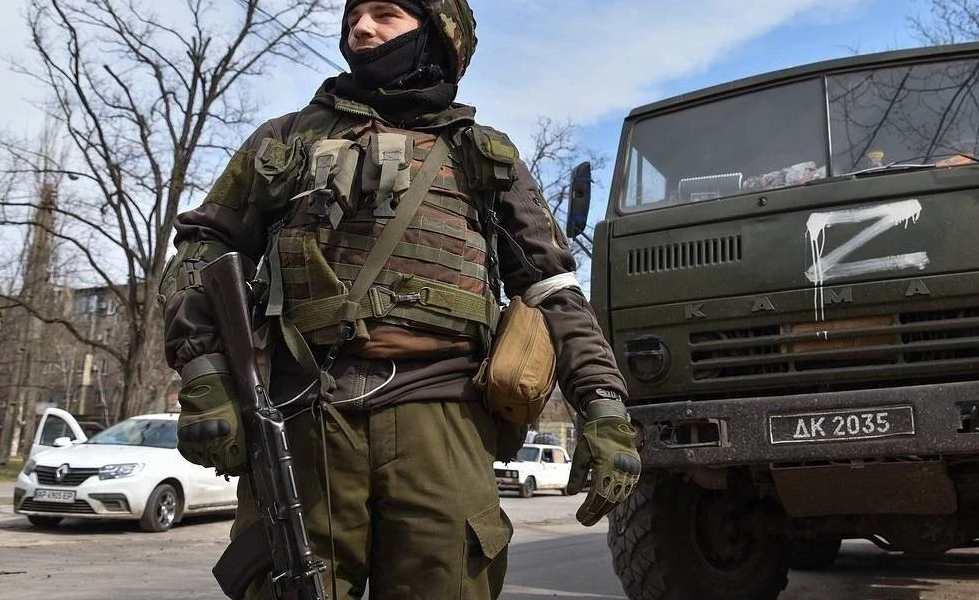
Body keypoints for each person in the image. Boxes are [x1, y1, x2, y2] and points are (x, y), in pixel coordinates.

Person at [157, 1, 641, 598]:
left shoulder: (482, 155)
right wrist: (204, 373)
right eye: (353, 16)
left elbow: (552, 289)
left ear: (439, 35)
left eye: (385, 14)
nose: (360, 28)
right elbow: (202, 250)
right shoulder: (285, 141)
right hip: (303, 414)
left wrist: (603, 405)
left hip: (443, 418)